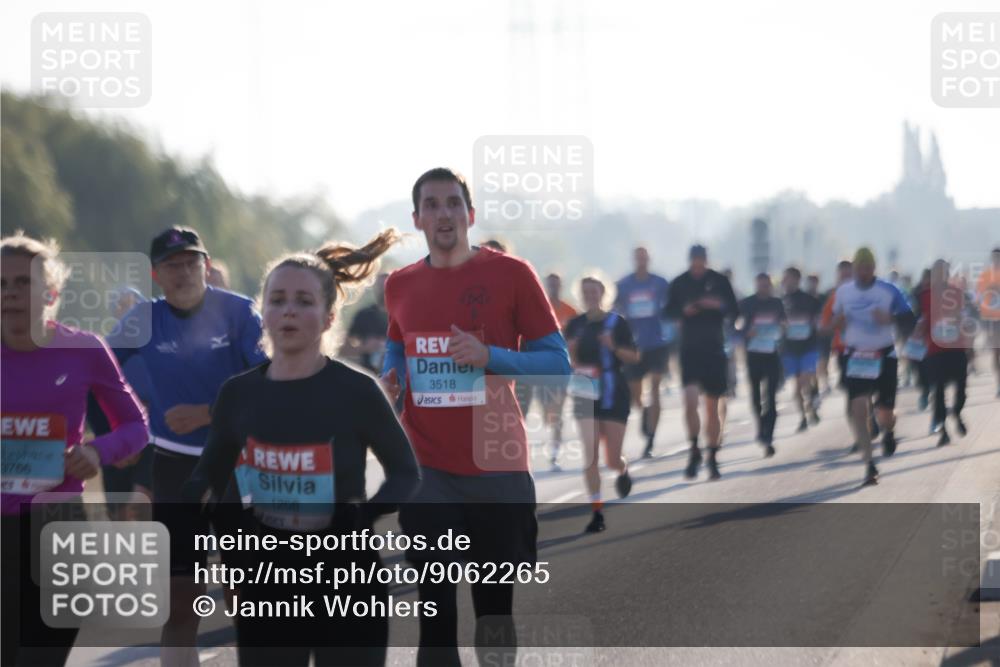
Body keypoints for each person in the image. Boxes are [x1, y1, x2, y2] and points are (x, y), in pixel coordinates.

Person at [184, 230, 419, 666]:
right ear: (263, 311)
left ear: (329, 317)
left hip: (348, 584)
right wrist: (220, 525)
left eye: (304, 301)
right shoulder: (237, 394)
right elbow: (209, 474)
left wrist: (365, 514)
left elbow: (407, 472)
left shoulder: (357, 391)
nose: (288, 310)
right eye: (278, 299)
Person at [380, 168, 570, 667]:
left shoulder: (512, 274)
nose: (443, 213)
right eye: (432, 205)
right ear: (417, 218)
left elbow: (557, 362)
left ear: (470, 213)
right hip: (428, 471)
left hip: (496, 465)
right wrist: (391, 376)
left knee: (493, 616)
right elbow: (396, 345)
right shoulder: (399, 284)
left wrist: (491, 357)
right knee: (435, 619)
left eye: (452, 203)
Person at [108, 226, 268, 665]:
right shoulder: (141, 318)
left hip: (240, 465)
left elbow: (269, 381)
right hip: (174, 468)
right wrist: (119, 433)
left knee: (247, 595)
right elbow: (98, 374)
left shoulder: (239, 312)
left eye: (191, 262)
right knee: (180, 602)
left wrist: (208, 413)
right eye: (171, 266)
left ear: (207, 265)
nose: (183, 273)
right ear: (155, 275)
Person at [2, 232, 148, 667]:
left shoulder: (83, 349)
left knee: (42, 657)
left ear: (50, 293)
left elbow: (135, 425)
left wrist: (97, 452)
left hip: (57, 523)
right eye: (0, 284)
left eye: (21, 283)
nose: (9, 294)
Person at [830, 247, 914, 486]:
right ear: (854, 269)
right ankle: (869, 464)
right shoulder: (844, 292)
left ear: (874, 268)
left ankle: (888, 431)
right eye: (859, 268)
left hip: (884, 355)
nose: (863, 272)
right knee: (858, 409)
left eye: (868, 268)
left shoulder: (888, 290)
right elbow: (834, 321)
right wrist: (837, 322)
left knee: (885, 412)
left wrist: (891, 319)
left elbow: (909, 319)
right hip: (856, 356)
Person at [565, 277, 639, 532]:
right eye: (585, 292)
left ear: (603, 293)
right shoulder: (574, 325)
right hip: (585, 391)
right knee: (590, 455)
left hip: (613, 390)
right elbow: (567, 365)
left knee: (611, 458)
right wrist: (571, 352)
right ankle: (597, 512)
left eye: (594, 291)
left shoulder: (617, 323)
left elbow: (634, 356)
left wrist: (613, 346)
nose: (590, 296)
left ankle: (622, 469)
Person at [664, 245, 738, 480]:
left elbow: (735, 311)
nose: (698, 264)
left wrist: (717, 305)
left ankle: (713, 455)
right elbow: (667, 313)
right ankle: (695, 447)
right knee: (689, 401)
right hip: (689, 350)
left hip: (714, 349)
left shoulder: (719, 281)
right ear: (690, 261)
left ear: (706, 260)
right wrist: (684, 311)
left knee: (713, 407)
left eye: (701, 260)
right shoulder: (679, 283)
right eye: (694, 260)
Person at [614, 247, 671, 458]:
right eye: (638, 258)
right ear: (634, 260)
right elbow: (615, 309)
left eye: (644, 258)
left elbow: (671, 308)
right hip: (634, 346)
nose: (641, 261)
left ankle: (651, 439)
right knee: (636, 396)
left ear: (649, 259)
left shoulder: (660, 283)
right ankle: (645, 412)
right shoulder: (624, 285)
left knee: (655, 388)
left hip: (657, 343)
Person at [918, 260, 971, 446]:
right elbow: (918, 321)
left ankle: (956, 412)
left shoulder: (956, 293)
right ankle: (943, 430)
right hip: (934, 351)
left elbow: (965, 318)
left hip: (956, 349)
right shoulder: (923, 295)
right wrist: (919, 329)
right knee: (938, 391)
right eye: (937, 273)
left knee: (962, 387)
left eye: (944, 272)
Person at [738, 273, 786, 456]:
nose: (763, 288)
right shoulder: (747, 303)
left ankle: (769, 436)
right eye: (760, 285)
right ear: (756, 285)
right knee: (756, 397)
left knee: (771, 397)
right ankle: (760, 425)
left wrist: (782, 328)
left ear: (771, 286)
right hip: (753, 355)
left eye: (767, 285)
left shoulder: (777, 303)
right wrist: (745, 332)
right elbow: (737, 324)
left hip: (772, 356)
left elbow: (784, 322)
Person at [541, 273, 578, 469]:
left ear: (561, 285)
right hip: (540, 366)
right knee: (547, 411)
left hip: (562, 366)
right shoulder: (539, 307)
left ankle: (554, 454)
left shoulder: (570, 310)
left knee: (557, 410)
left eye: (557, 284)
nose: (554, 287)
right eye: (550, 284)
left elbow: (579, 336)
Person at [781, 266, 823, 431]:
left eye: (788, 277)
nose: (785, 281)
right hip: (790, 349)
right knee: (796, 388)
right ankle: (804, 416)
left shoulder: (809, 299)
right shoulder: (781, 301)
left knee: (803, 381)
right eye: (784, 278)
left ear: (797, 279)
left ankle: (813, 395)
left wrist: (815, 325)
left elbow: (819, 322)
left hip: (808, 346)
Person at [340, 272, 389, 374]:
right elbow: (343, 349)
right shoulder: (364, 315)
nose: (382, 290)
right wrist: (365, 347)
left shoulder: (404, 316)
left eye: (386, 286)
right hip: (369, 376)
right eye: (380, 286)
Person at [975, 247, 1000, 397]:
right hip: (992, 320)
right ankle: (999, 383)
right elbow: (979, 298)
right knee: (996, 353)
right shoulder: (985, 276)